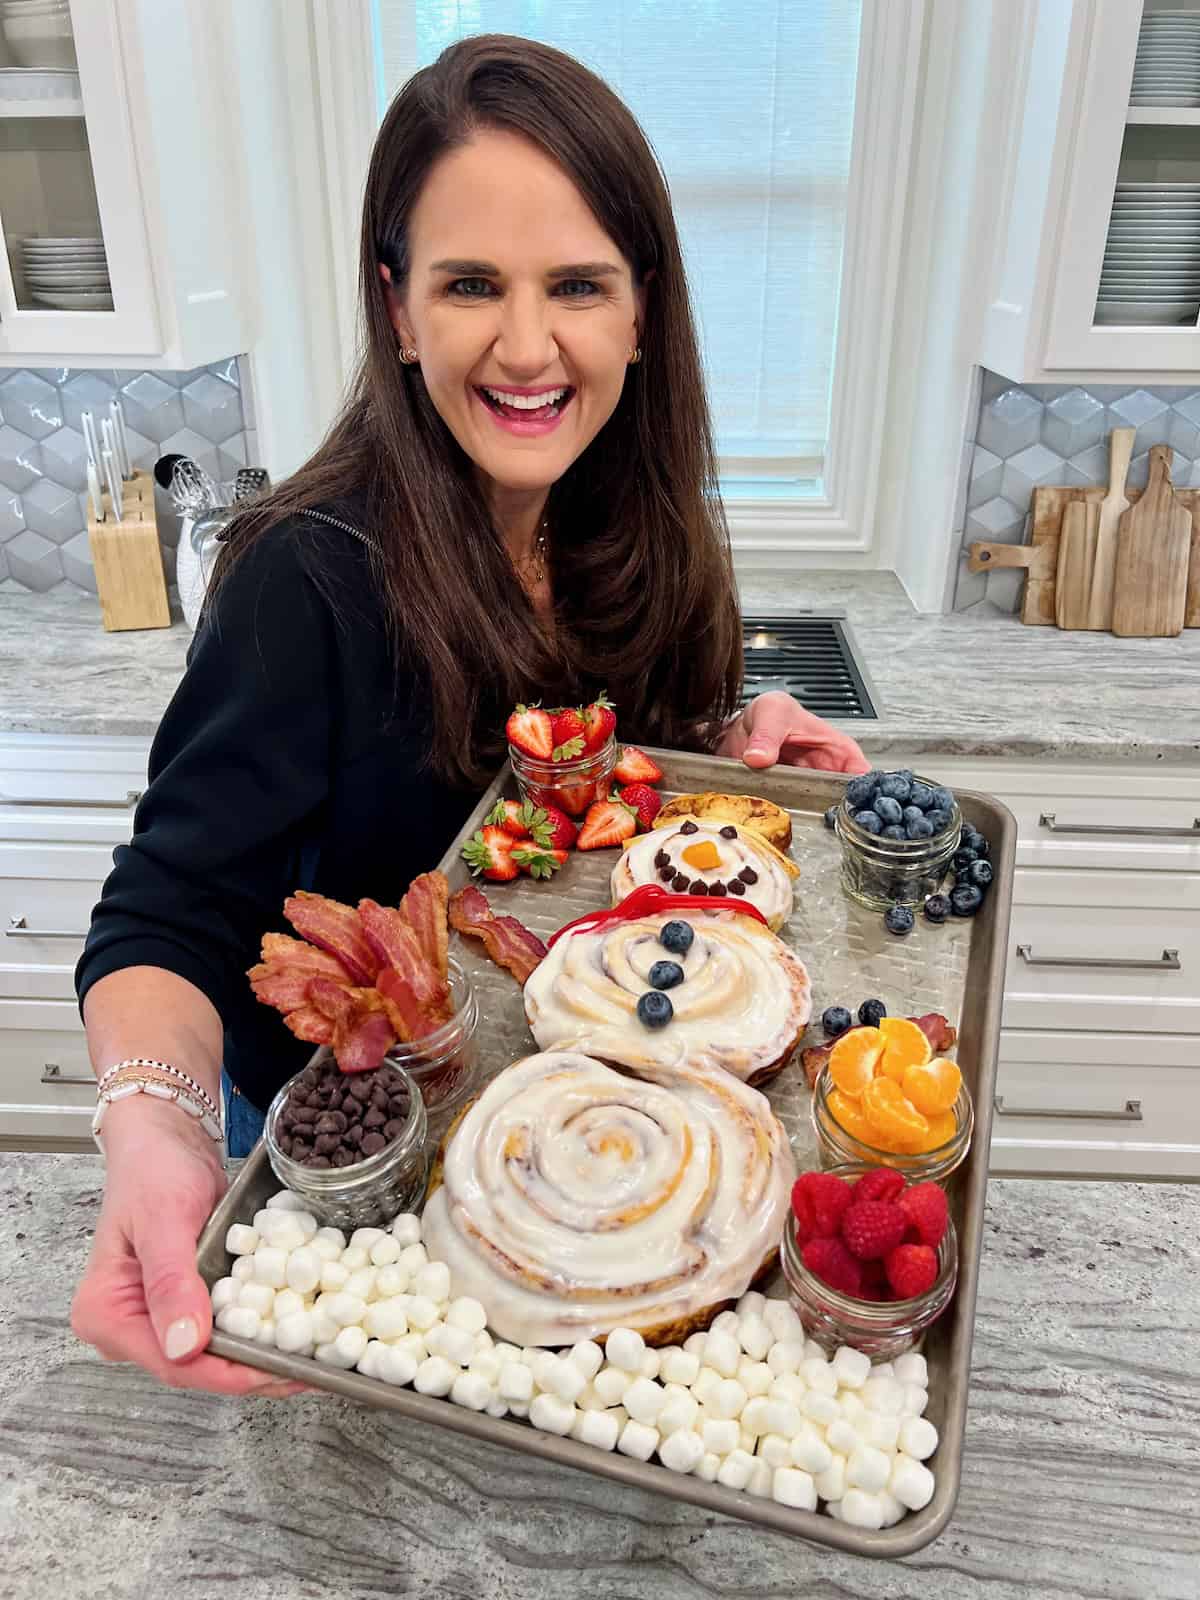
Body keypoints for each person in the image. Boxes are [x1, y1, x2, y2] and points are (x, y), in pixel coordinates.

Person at [70, 35, 869, 1398]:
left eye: (576, 286)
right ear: (397, 309)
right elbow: (164, 918)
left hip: (593, 1139)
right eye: (469, 287)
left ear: (639, 311)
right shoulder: (303, 573)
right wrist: (156, 1131)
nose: (524, 345)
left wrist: (725, 760)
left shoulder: (646, 534)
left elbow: (601, 799)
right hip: (368, 1160)